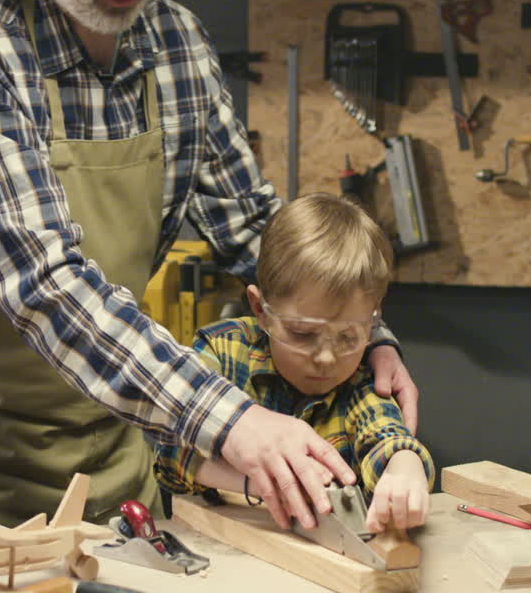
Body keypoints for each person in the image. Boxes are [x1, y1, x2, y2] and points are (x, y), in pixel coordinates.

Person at [0, 0, 420, 532]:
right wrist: (232, 423)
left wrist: (364, 333)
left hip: (126, 428)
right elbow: (46, 287)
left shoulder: (176, 44)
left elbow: (253, 229)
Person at [152, 193, 433, 531]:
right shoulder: (221, 351)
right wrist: (265, 483)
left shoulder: (361, 375)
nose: (327, 358)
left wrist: (406, 467)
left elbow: (385, 436)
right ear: (260, 309)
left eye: (347, 336)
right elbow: (171, 453)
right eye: (302, 333)